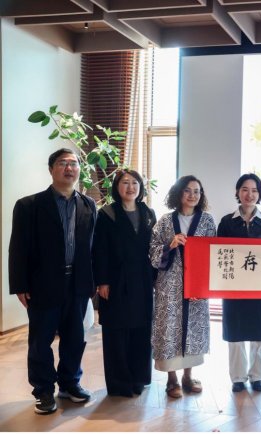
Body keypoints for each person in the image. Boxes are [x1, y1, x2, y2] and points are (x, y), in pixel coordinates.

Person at [9, 148, 96, 414]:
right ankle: (44, 390)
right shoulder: (29, 205)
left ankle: (70, 383)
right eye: (62, 163)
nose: (69, 168)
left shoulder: (88, 205)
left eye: (74, 163)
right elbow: (18, 248)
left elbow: (91, 248)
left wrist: (93, 282)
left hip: (77, 284)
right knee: (41, 340)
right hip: (42, 284)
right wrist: (20, 285)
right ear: (51, 169)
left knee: (75, 337)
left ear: (79, 169)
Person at [150, 175, 216, 399]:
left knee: (193, 329)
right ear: (178, 193)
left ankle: (188, 376)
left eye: (197, 191)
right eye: (187, 190)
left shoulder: (207, 221)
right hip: (169, 286)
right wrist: (170, 245)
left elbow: (213, 253)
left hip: (196, 286)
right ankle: (172, 379)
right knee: (169, 328)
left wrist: (204, 286)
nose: (192, 195)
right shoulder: (165, 221)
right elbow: (152, 252)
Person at [92, 169, 157, 397]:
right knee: (117, 330)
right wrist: (102, 281)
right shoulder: (107, 213)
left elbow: (155, 248)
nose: (130, 187)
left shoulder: (148, 213)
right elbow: (99, 249)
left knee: (141, 328)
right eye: (125, 183)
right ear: (116, 187)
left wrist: (156, 278)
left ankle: (139, 378)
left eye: (135, 183)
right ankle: (120, 382)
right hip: (115, 280)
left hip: (142, 280)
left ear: (141, 187)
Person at [218, 173, 261, 393]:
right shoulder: (226, 222)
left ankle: (257, 376)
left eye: (254, 190)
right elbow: (219, 254)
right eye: (245, 189)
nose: (249, 194)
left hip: (260, 286)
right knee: (235, 333)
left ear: (259, 194)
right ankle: (238, 377)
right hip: (233, 286)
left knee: (259, 333)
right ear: (237, 192)